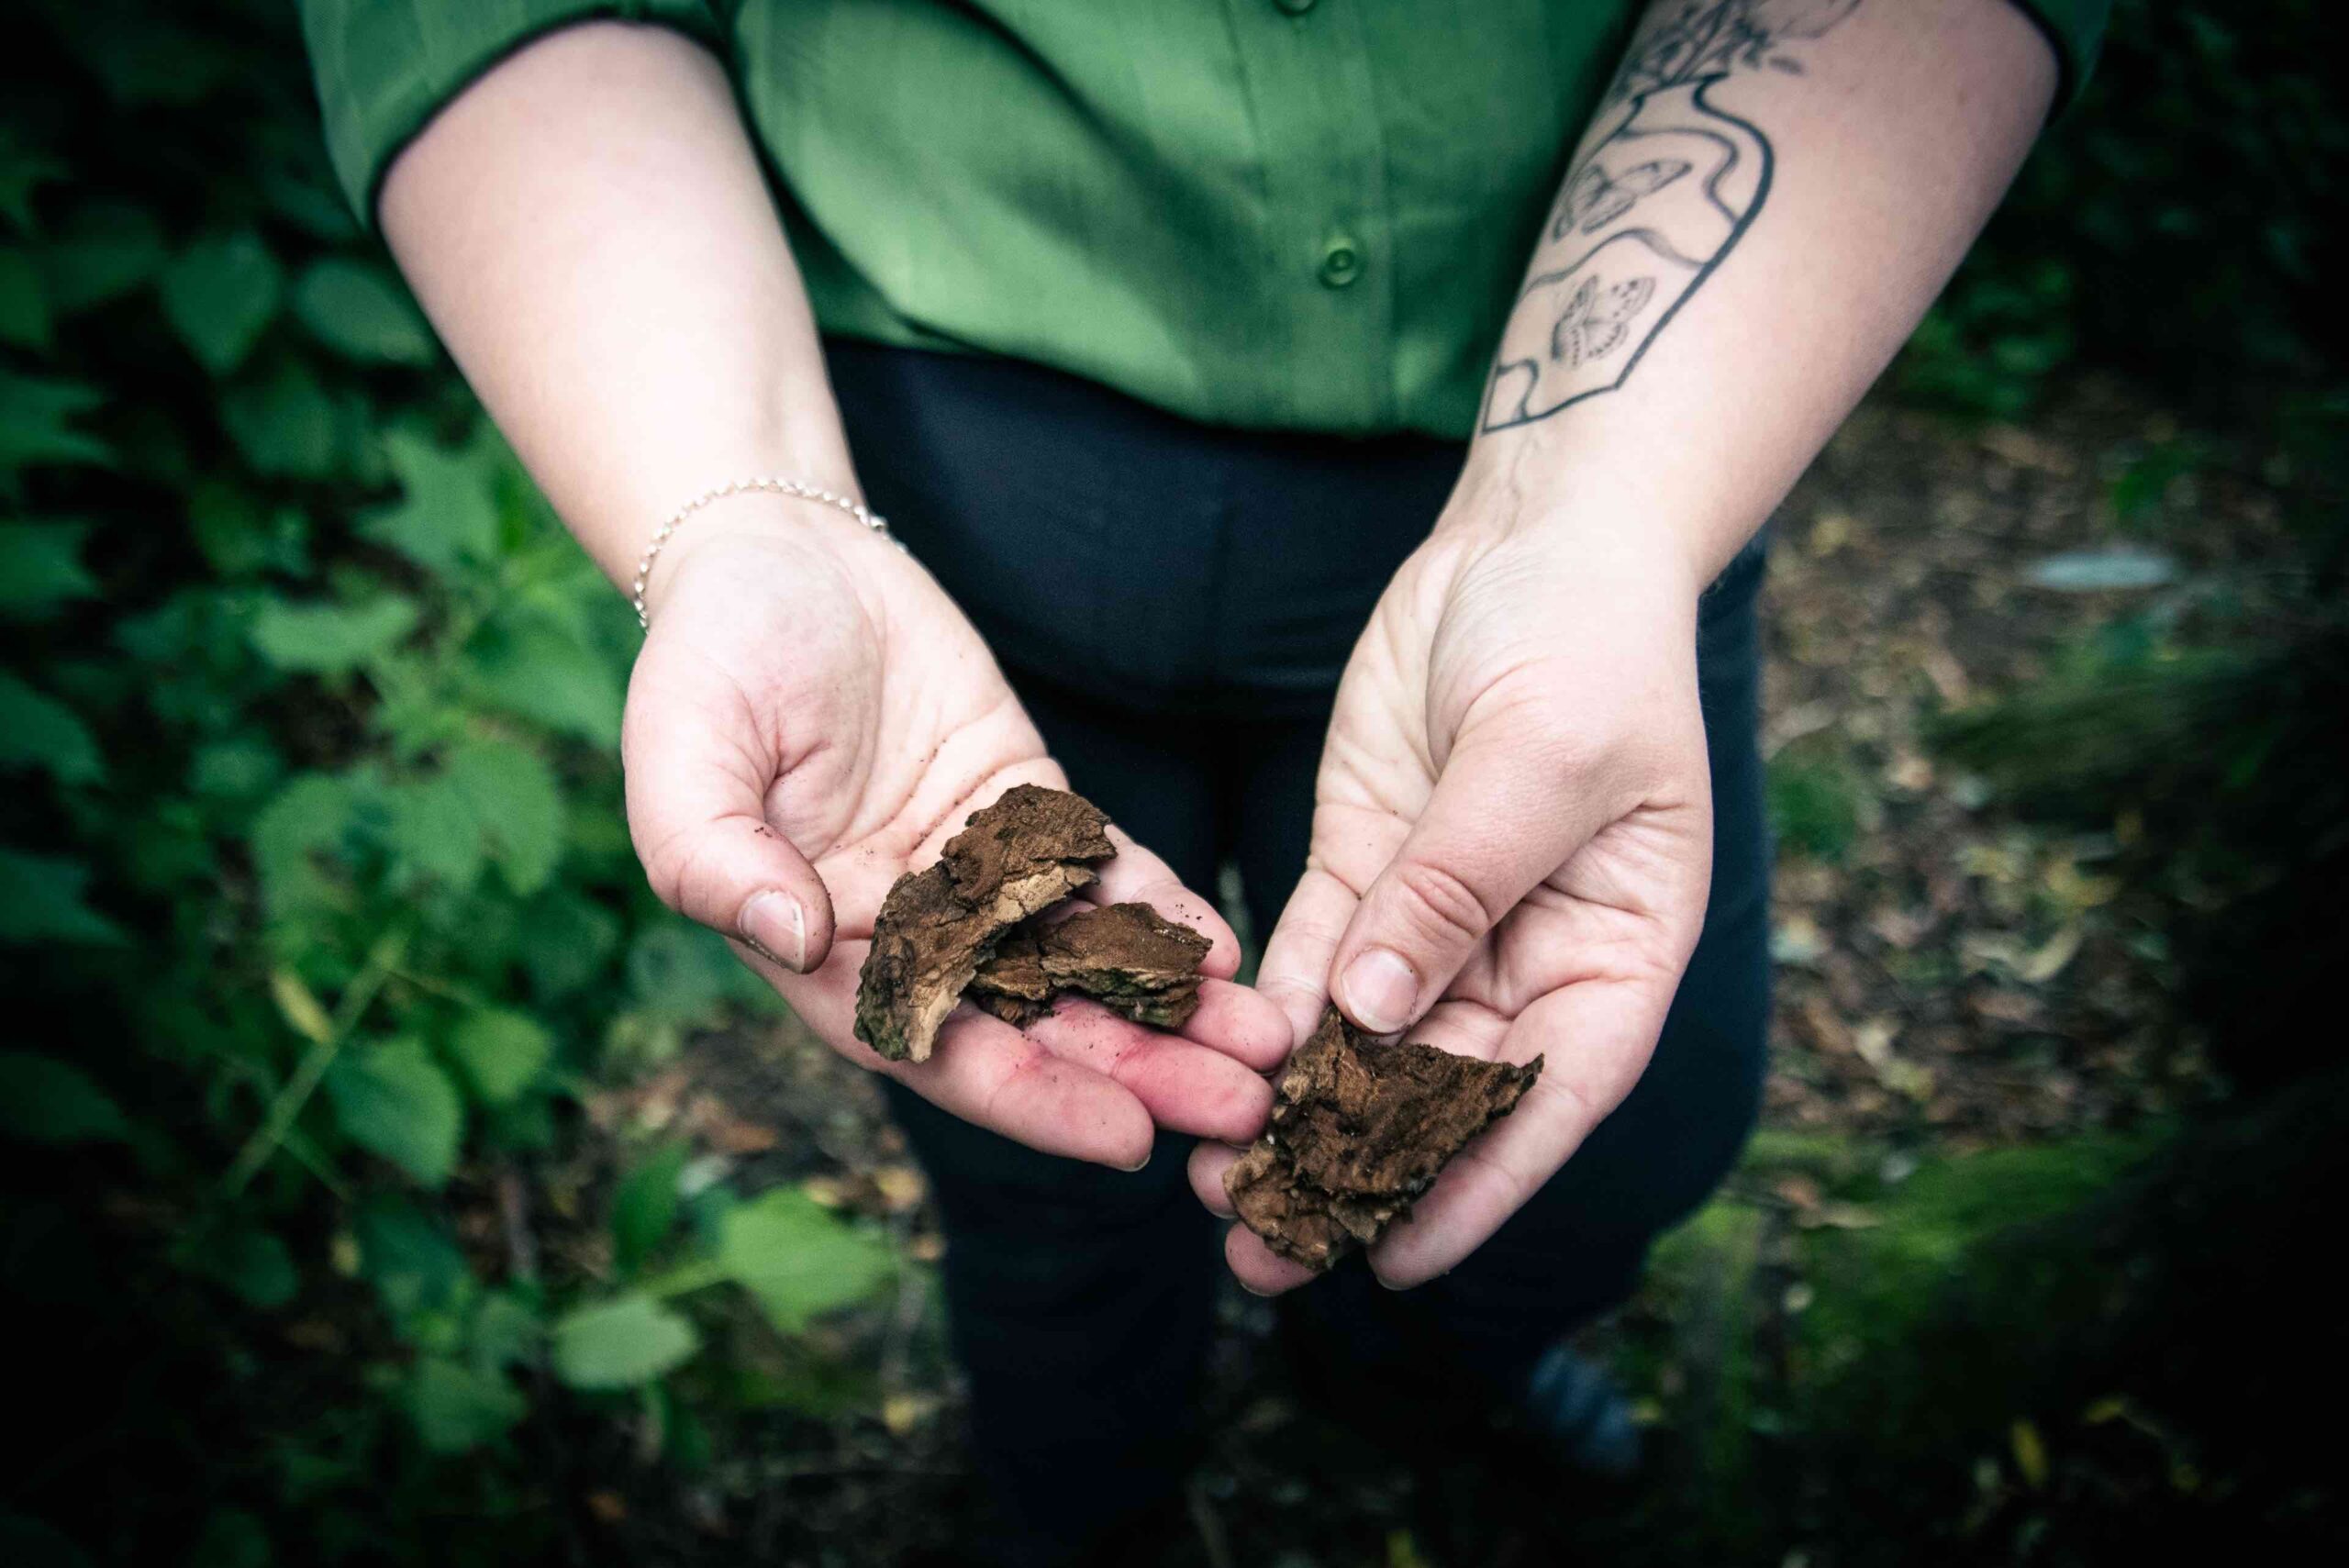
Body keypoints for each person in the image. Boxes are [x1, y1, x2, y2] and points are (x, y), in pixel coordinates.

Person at [302, 0, 2104, 1560]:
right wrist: (736, 521)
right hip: (913, 488)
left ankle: (1402, 1362)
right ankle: (1080, 1496)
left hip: (1579, 477)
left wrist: (1605, 521)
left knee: (1604, 1112)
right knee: (1035, 1146)